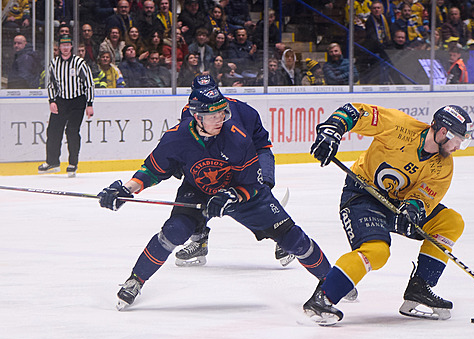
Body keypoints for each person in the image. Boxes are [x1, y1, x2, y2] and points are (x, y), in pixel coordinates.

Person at [97, 85, 332, 310]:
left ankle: (333, 283)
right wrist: (126, 190)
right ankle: (135, 280)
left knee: (292, 238)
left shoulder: (237, 137)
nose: (220, 119)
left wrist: (233, 195)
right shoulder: (175, 138)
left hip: (240, 192)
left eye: (222, 112)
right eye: (213, 115)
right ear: (197, 117)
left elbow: (252, 184)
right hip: (199, 189)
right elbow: (152, 171)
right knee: (174, 231)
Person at [302, 103, 472, 325]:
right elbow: (355, 111)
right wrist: (332, 130)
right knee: (377, 252)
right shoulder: (399, 127)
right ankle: (323, 297)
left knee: (451, 221)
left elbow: (426, 197)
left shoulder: (444, 166)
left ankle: (420, 288)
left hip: (397, 205)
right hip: (362, 195)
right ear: (442, 132)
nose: (459, 146)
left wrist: (414, 209)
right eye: (458, 140)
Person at [174, 74, 295, 267]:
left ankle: (284, 238)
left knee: (258, 201)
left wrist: (263, 180)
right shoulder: (189, 112)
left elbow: (263, 148)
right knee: (190, 193)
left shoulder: (245, 111)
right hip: (214, 167)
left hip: (243, 166)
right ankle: (199, 240)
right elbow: (189, 143)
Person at [38, 36, 95, 178]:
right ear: (59, 47)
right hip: (61, 101)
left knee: (72, 132)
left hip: (77, 102)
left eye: (67, 45)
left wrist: (89, 104)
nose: (65, 48)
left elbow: (89, 84)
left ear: (71, 47)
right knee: (53, 131)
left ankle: (72, 163)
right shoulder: (54, 63)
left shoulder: (79, 63)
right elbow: (51, 84)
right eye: (62, 45)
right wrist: (52, 101)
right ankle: (52, 162)